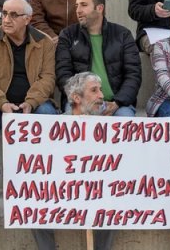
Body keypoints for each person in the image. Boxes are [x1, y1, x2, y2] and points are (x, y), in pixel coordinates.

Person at [33, 71, 117, 250]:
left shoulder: (110, 128)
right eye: (94, 90)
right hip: (62, 190)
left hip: (98, 190)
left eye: (100, 90)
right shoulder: (55, 127)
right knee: (33, 209)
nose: (101, 96)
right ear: (76, 98)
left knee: (113, 207)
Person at [0, 0, 58, 136]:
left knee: (46, 113)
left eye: (13, 15)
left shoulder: (44, 42)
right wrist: (2, 103)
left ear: (27, 19)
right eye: (4, 14)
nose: (6, 20)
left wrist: (31, 102)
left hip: (35, 102)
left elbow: (47, 79)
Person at [56, 0, 141, 115]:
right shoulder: (68, 35)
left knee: (125, 116)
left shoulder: (123, 35)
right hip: (79, 101)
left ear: (100, 8)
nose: (78, 10)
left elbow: (133, 75)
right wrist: (81, 98)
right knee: (74, 119)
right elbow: (63, 74)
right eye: (77, 6)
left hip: (116, 103)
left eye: (84, 5)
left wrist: (118, 102)